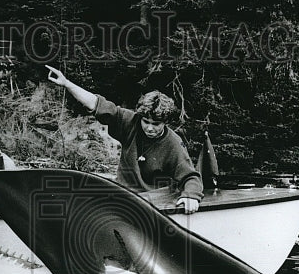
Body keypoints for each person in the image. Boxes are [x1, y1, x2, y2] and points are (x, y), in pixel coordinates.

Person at [45, 65, 203, 213]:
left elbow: (190, 176)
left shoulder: (173, 142)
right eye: (145, 122)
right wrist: (66, 83)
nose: (149, 128)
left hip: (155, 202)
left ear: (165, 123)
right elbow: (97, 105)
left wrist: (190, 195)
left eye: (155, 124)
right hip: (124, 195)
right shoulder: (131, 122)